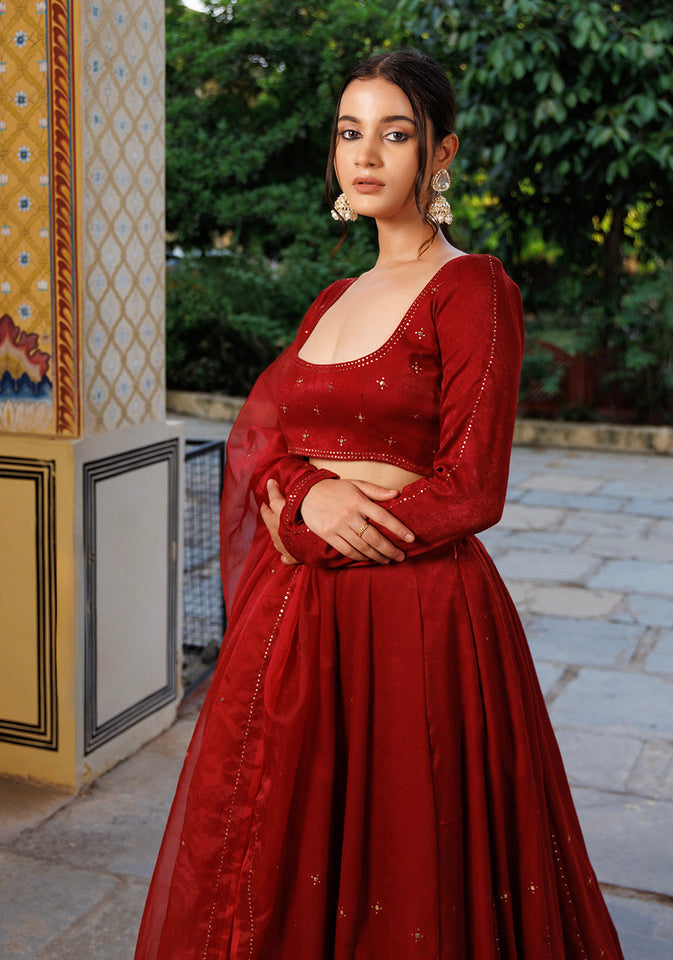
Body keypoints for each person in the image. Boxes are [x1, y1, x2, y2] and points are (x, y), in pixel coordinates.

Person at [135, 50, 625, 960]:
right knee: (279, 843)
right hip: (298, 622)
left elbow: (473, 488)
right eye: (350, 134)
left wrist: (317, 527)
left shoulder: (474, 289)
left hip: (416, 612)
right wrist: (307, 496)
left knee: (407, 846)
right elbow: (272, 445)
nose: (366, 156)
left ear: (439, 154)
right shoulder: (333, 298)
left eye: (394, 135)